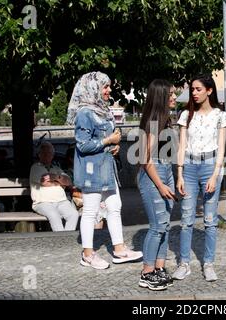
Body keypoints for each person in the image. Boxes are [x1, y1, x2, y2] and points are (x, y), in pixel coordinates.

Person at [67, 71, 142, 270]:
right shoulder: (85, 113)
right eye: (105, 86)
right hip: (92, 170)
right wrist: (108, 141)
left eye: (108, 86)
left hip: (107, 168)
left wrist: (114, 147)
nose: (109, 90)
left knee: (115, 206)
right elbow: (82, 145)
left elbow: (104, 140)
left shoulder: (103, 110)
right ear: (93, 89)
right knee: (90, 212)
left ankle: (119, 250)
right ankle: (87, 254)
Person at [174, 74, 226, 282]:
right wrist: (179, 174)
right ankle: (184, 263)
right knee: (186, 219)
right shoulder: (185, 115)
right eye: (192, 90)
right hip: (188, 167)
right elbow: (181, 146)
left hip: (210, 167)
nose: (194, 93)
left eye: (198, 89)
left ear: (209, 90)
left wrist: (215, 175)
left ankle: (208, 263)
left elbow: (222, 150)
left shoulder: (220, 115)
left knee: (209, 220)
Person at [137, 79, 177, 291]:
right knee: (157, 226)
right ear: (161, 97)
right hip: (153, 177)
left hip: (165, 172)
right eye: (170, 94)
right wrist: (161, 185)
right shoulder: (153, 120)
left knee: (165, 225)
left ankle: (159, 267)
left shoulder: (165, 120)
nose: (174, 97)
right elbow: (145, 160)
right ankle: (147, 272)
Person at [29, 141, 79, 231]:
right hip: (43, 202)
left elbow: (68, 182)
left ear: (52, 155)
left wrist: (56, 177)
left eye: (49, 153)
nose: (47, 155)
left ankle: (65, 239)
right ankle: (62, 240)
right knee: (54, 216)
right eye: (44, 153)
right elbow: (44, 182)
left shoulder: (56, 168)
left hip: (62, 201)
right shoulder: (35, 167)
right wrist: (60, 182)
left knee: (74, 214)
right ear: (39, 155)